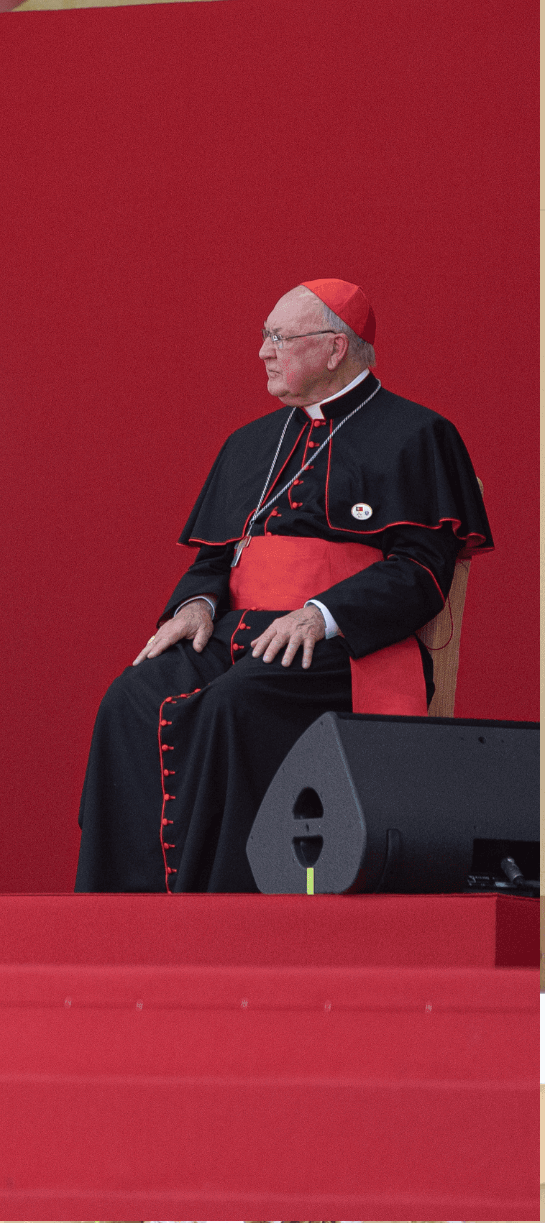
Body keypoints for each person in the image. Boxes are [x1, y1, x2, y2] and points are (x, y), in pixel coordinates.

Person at [76, 279, 493, 893]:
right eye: (265, 336)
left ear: (333, 349)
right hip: (234, 632)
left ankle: (221, 912)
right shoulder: (248, 444)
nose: (264, 351)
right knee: (128, 699)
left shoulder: (416, 435)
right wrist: (193, 605)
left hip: (344, 645)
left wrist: (322, 614)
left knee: (231, 705)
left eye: (279, 338)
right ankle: (122, 908)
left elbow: (421, 572)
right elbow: (218, 558)